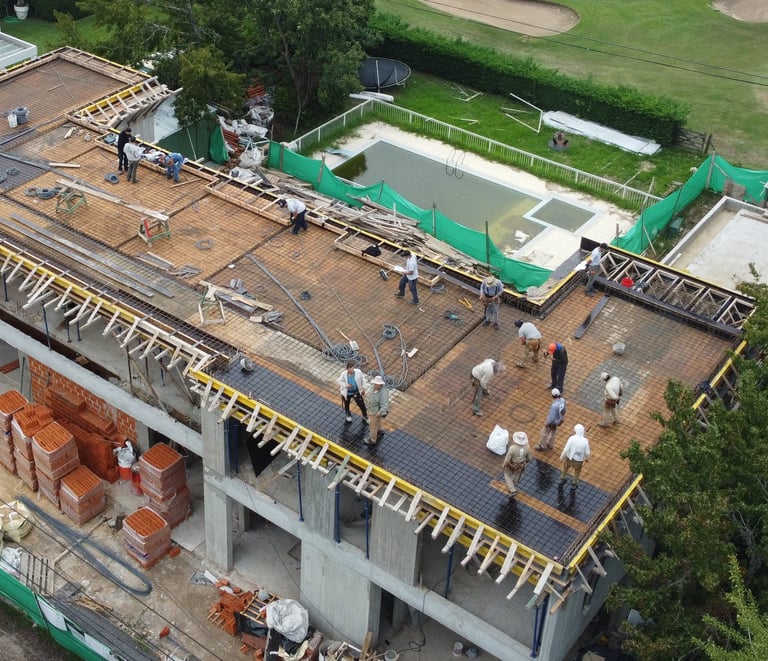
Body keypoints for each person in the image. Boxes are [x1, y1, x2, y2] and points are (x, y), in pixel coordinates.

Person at [560, 424, 591, 488]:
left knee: (565, 467)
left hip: (569, 458)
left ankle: (563, 477)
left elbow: (566, 449)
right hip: (579, 460)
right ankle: (574, 483)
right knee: (577, 471)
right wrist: (587, 459)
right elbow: (587, 452)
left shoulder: (571, 438)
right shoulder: (585, 441)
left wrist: (562, 457)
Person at [503, 431, 532, 496]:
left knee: (507, 476)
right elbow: (529, 458)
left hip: (511, 464)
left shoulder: (512, 448)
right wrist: (525, 463)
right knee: (517, 477)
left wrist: (505, 465)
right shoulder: (527, 447)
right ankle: (513, 487)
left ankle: (512, 490)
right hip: (520, 466)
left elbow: (507, 460)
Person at [365, 375, 389, 445]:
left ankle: (373, 440)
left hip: (375, 412)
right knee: (379, 421)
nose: (376, 386)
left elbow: (384, 405)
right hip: (371, 409)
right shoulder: (373, 388)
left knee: (372, 426)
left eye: (378, 384)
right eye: (375, 384)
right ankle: (381, 430)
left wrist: (379, 412)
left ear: (381, 385)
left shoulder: (383, 393)